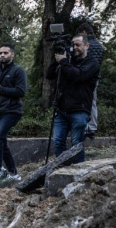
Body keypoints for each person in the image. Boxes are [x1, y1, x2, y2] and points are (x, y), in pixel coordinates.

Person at [46, 35, 100, 164]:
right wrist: (57, 59)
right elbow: (49, 75)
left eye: (78, 45)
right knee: (58, 141)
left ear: (87, 45)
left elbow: (79, 75)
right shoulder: (68, 61)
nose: (74, 48)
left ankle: (78, 171)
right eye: (73, 45)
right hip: (62, 109)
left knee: (76, 144)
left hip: (79, 109)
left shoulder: (92, 63)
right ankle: (61, 169)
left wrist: (64, 62)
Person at [0, 44, 27, 181]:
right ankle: (14, 174)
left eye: (5, 53)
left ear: (12, 55)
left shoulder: (18, 71)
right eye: (0, 53)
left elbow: (21, 91)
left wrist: (0, 88)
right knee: (1, 142)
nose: (2, 55)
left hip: (12, 111)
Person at [76, 23, 104, 139]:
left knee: (81, 101)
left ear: (84, 32)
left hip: (84, 77)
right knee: (92, 102)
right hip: (95, 78)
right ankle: (92, 127)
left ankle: (83, 126)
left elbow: (82, 60)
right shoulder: (99, 46)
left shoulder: (86, 45)